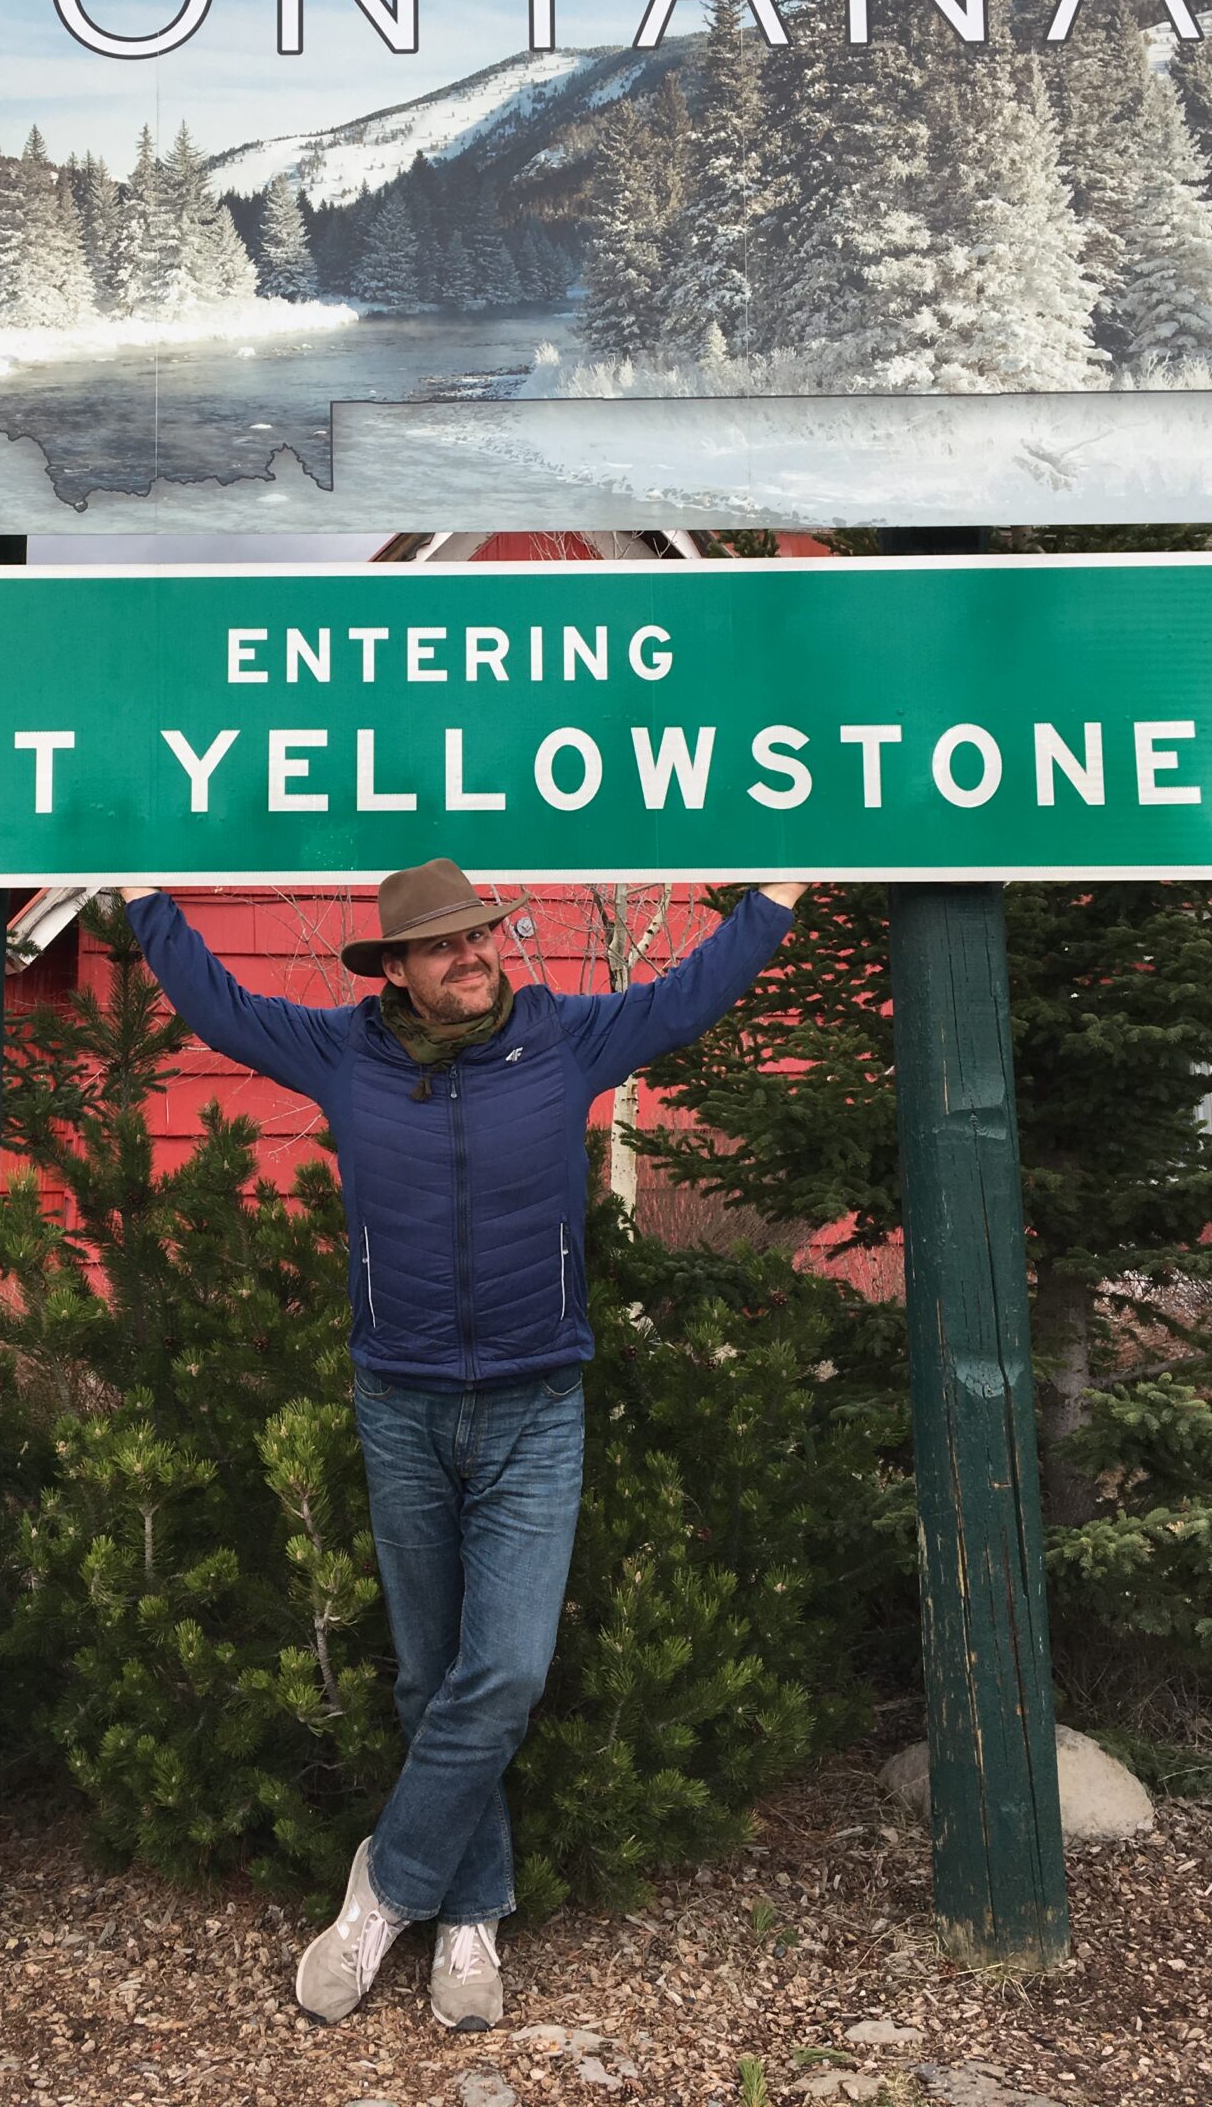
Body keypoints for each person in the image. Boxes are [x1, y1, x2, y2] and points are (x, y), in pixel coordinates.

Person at [117, 859, 802, 2033]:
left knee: (508, 1672)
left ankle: (384, 1892)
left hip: (536, 1406)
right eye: (443, 944)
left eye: (481, 934)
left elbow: (687, 997)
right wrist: (142, 899)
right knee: (430, 1676)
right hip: (402, 1405)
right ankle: (472, 1916)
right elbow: (219, 1007)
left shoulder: (564, 1038)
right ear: (396, 967)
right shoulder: (345, 1054)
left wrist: (775, 903)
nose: (472, 955)